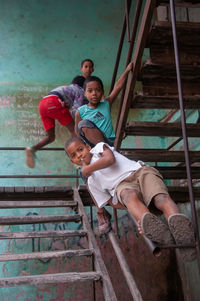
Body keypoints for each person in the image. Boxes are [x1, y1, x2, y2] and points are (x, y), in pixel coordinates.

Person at [65, 137, 196, 262]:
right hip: (122, 187)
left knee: (160, 198)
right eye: (74, 155)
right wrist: (133, 209)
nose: (79, 155)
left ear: (88, 147)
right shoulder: (92, 182)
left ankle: (182, 233)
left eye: (80, 149)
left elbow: (110, 159)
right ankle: (151, 224)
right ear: (72, 161)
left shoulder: (99, 148)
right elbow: (110, 201)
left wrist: (87, 169)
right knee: (126, 195)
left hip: (140, 172)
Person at [25, 76, 88, 168]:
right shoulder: (79, 90)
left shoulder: (68, 88)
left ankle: (32, 149)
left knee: (50, 137)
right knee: (74, 130)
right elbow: (76, 111)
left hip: (42, 104)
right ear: (83, 86)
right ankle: (76, 159)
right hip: (53, 102)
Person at [75, 62, 133, 148]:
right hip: (92, 146)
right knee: (82, 124)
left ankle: (105, 150)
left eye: (98, 90)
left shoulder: (106, 103)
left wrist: (127, 70)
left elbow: (118, 87)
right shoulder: (80, 111)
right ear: (85, 93)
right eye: (90, 91)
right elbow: (78, 132)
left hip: (108, 142)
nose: (94, 93)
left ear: (102, 92)